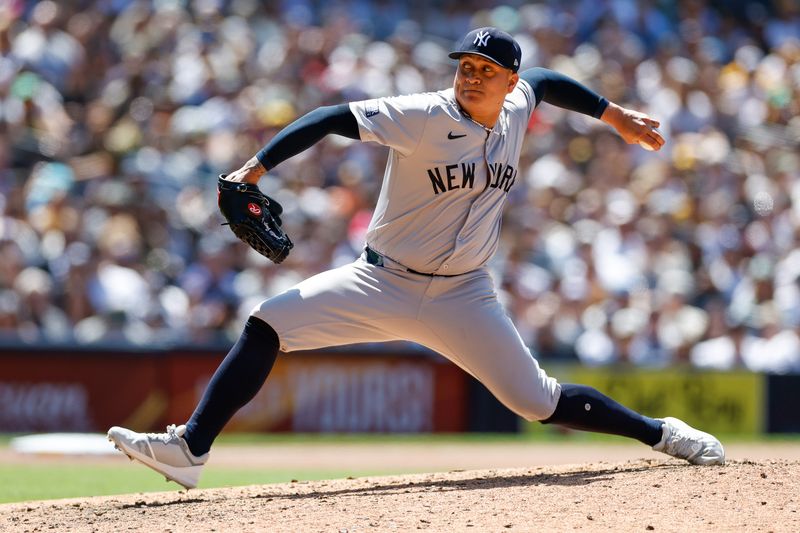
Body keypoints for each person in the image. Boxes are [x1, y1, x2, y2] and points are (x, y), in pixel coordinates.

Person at [108, 27, 724, 490]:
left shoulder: (517, 105)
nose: (472, 77)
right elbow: (328, 118)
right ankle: (191, 449)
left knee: (539, 402)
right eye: (466, 66)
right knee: (268, 321)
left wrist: (614, 117)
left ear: (509, 83)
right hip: (379, 282)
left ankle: (663, 434)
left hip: (464, 295)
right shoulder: (423, 115)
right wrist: (253, 169)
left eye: (487, 69)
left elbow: (549, 80)